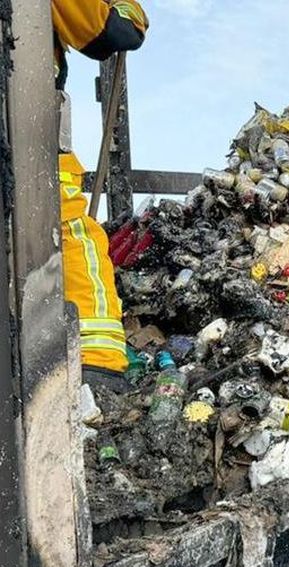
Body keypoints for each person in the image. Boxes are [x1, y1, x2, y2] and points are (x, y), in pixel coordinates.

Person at [53, 0, 149, 393]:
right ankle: (99, 365)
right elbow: (107, 32)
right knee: (71, 233)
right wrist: (128, 10)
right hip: (23, 131)